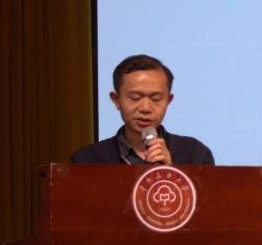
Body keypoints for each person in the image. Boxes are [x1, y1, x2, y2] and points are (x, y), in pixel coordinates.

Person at [70, 54, 214, 165]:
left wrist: (169, 173)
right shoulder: (88, 160)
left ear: (168, 101)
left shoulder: (195, 154)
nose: (145, 108)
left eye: (156, 99)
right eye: (135, 98)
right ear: (116, 100)